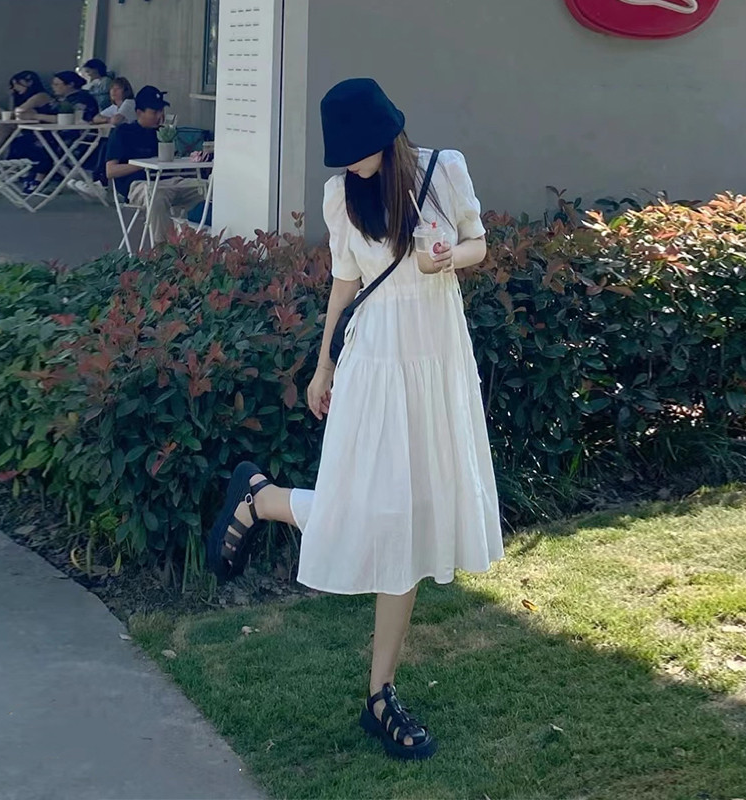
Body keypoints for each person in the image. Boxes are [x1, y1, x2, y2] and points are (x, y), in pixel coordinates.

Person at [205, 78, 503, 760]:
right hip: (375, 359)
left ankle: (378, 692)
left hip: (436, 355)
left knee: (414, 514)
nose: (352, 167)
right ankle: (265, 502)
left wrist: (447, 258)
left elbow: (478, 243)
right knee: (383, 513)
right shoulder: (342, 194)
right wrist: (322, 365)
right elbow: (345, 280)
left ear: (386, 137)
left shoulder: (444, 169)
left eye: (358, 153)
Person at [105, 85, 205, 245]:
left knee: (208, 188)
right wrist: (144, 165)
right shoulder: (123, 133)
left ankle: (203, 242)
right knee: (157, 196)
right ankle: (162, 248)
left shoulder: (164, 133)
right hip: (138, 185)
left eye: (161, 111)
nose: (160, 116)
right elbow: (110, 171)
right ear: (139, 113)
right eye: (154, 112)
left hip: (170, 181)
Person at [14, 71, 99, 194]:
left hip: (77, 137)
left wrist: (36, 116)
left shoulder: (82, 99)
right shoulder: (61, 99)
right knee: (22, 140)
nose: (53, 87)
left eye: (57, 84)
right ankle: (31, 173)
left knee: (43, 144)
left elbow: (69, 119)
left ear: (70, 84)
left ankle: (40, 178)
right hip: (59, 133)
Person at [0, 71, 55, 151]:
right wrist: (12, 97)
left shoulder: (40, 96)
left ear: (29, 83)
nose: (15, 88)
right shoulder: (26, 97)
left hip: (43, 129)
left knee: (6, 125)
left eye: (17, 84)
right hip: (31, 127)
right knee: (6, 125)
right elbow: (13, 114)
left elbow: (16, 113)